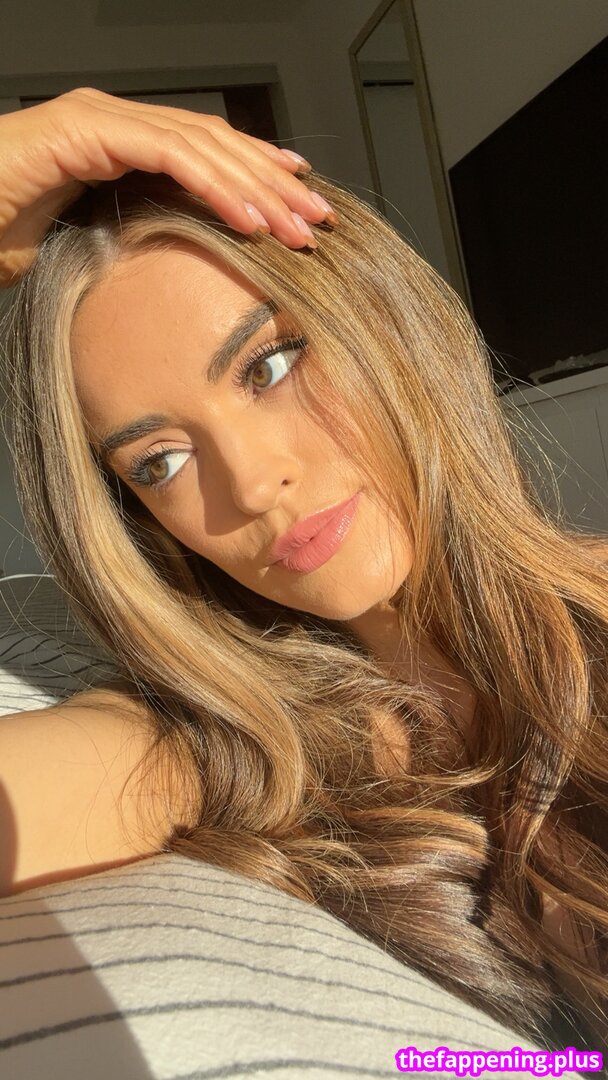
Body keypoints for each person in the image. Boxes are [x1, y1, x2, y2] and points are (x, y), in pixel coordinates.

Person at [1, 87, 607, 1057]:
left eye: (269, 365)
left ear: (382, 319)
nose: (251, 484)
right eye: (158, 462)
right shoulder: (223, 750)